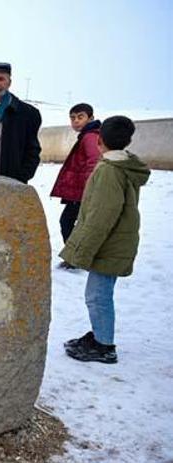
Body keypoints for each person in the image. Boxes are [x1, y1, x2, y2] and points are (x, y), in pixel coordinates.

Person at [61, 116, 150, 364]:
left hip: (110, 243)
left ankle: (104, 346)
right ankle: (100, 335)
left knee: (97, 296)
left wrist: (79, 252)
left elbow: (101, 217)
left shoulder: (109, 171)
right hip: (116, 240)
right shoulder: (121, 165)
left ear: (99, 140)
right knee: (100, 293)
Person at [50, 103, 101, 268]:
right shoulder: (87, 135)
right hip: (79, 191)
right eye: (72, 118)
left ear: (91, 118)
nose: (76, 121)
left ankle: (75, 258)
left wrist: (89, 189)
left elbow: (93, 162)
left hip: (82, 192)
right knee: (73, 223)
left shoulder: (90, 137)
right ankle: (76, 257)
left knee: (67, 222)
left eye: (80, 117)